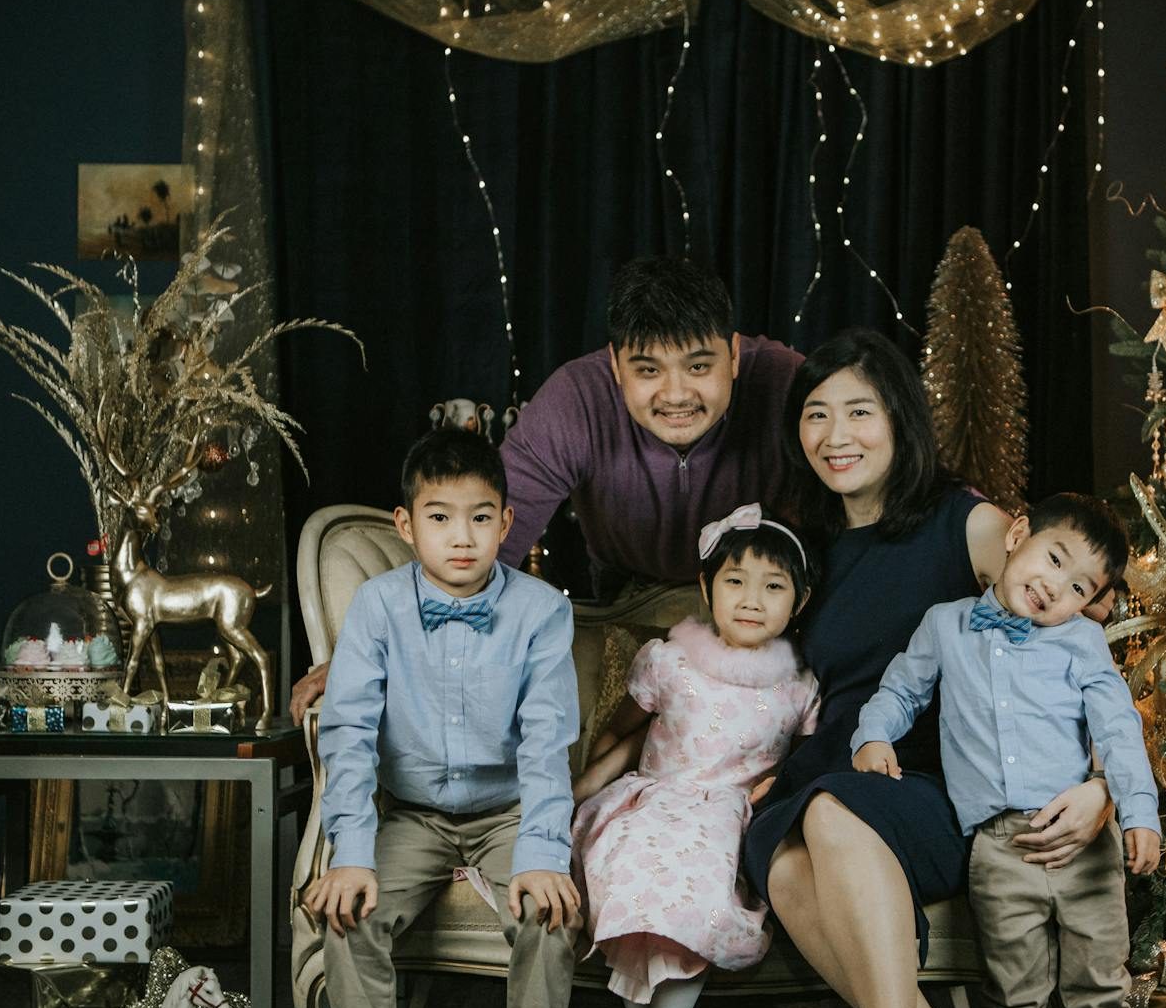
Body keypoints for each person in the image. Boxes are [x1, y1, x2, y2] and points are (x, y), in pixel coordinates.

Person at [739, 327, 1120, 1008]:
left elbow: (1089, 654)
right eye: (816, 415)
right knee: (787, 847)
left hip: (950, 787)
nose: (836, 435)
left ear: (901, 420)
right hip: (834, 770)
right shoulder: (809, 544)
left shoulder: (972, 525)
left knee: (833, 819)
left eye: (859, 412)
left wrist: (1103, 784)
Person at [288, 257, 802, 725]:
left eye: (698, 366)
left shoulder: (787, 383)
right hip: (631, 603)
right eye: (648, 370)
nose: (676, 395)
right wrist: (372, 652)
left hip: (777, 613)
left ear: (733, 355)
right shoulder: (575, 400)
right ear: (616, 365)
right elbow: (485, 539)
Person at [304, 427, 583, 1008]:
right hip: (414, 815)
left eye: (480, 516)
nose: (462, 537)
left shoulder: (542, 611)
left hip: (509, 810)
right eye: (439, 517)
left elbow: (550, 745)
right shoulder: (377, 607)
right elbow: (349, 734)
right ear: (406, 525)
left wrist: (544, 854)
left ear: (505, 522)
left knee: (546, 912)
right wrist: (353, 850)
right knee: (349, 909)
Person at [850, 492, 1160, 1008]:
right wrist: (872, 736)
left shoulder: (1082, 644)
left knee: (1101, 986)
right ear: (1017, 534)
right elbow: (902, 689)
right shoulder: (946, 625)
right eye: (1053, 558)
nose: (1055, 588)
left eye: (1079, 586)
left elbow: (1119, 729)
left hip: (1084, 843)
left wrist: (1139, 812)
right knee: (1016, 992)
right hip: (999, 847)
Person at [567, 504, 819, 1008]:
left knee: (695, 890)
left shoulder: (799, 687)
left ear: (801, 599)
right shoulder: (668, 659)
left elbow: (807, 765)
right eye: (735, 580)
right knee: (627, 881)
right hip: (652, 801)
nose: (752, 599)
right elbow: (623, 733)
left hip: (727, 816)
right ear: (707, 588)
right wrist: (579, 795)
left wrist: (779, 787)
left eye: (773, 585)